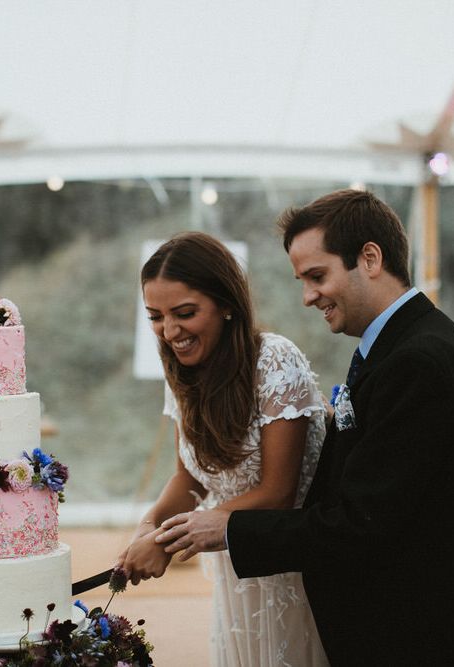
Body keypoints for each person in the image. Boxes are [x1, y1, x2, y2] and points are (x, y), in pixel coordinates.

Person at [156, 189, 454, 665]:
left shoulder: (418, 360)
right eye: (302, 280)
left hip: (418, 632)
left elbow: (360, 523)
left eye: (317, 276)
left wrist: (227, 530)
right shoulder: (397, 345)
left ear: (370, 258)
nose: (308, 296)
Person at [116, 232, 329, 666]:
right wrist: (149, 526)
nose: (170, 332)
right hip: (235, 572)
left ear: (227, 303)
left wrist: (168, 538)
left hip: (295, 568)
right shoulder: (180, 372)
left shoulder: (273, 361)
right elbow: (188, 477)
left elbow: (278, 492)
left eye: (185, 313)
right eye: (155, 317)